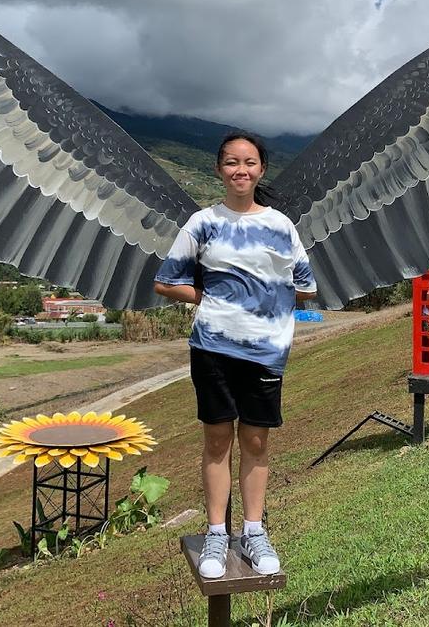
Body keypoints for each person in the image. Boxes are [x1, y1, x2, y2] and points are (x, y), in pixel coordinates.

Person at [153, 132, 317, 579]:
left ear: (261, 169)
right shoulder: (202, 222)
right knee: (217, 440)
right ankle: (215, 534)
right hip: (212, 349)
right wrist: (209, 299)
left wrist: (265, 302)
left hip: (266, 352)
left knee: (258, 442)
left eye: (249, 163)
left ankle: (254, 531)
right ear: (219, 170)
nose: (240, 170)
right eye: (231, 163)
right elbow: (166, 282)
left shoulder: (282, 226)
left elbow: (306, 285)